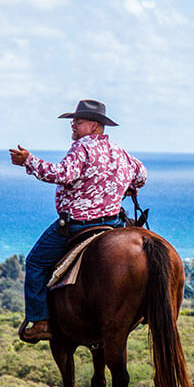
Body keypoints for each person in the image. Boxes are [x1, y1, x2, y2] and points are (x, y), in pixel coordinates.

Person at [9, 99, 147, 342]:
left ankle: (40, 321)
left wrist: (29, 161)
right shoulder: (121, 152)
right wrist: (122, 187)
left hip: (78, 224)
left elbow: (63, 174)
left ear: (94, 125)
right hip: (112, 223)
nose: (73, 125)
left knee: (35, 263)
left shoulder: (81, 148)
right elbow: (141, 176)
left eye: (78, 121)